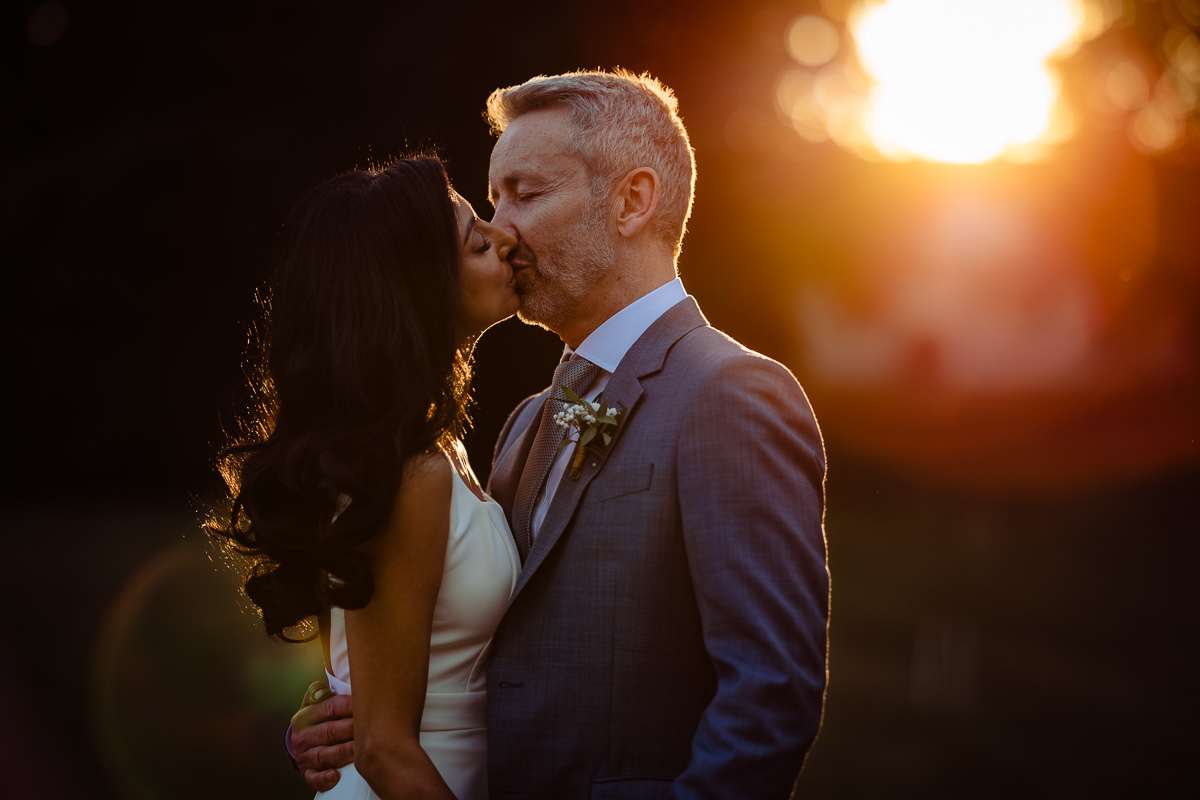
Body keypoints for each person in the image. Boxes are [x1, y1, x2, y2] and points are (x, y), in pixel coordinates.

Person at [293, 70, 830, 799]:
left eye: (527, 193)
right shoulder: (523, 423)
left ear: (631, 202)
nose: (501, 228)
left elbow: (768, 693)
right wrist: (331, 720)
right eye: (493, 199)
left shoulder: (729, 393)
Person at [208, 156, 523, 799]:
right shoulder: (411, 474)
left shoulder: (428, 452)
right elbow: (382, 749)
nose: (506, 237)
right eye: (477, 241)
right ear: (419, 289)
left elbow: (358, 676)